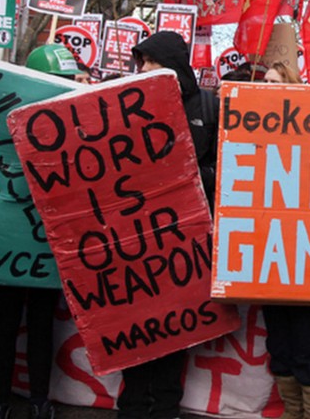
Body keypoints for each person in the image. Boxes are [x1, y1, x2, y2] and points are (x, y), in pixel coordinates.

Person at [0, 45, 87, 419]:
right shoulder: (7, 117)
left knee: (37, 324)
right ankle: (2, 400)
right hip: (11, 241)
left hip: (46, 242)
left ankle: (35, 398)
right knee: (6, 324)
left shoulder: (75, 118)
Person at [115, 32, 219, 419]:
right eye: (138, 63)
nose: (140, 70)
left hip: (185, 237)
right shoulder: (127, 105)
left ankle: (166, 405)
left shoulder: (208, 107)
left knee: (175, 325)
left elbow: (227, 167)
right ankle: (132, 403)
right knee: (135, 321)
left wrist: (190, 176)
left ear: (171, 65)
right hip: (137, 238)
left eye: (148, 63)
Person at [257, 61, 310, 419]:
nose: (269, 86)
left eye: (277, 81)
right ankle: (292, 412)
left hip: (307, 258)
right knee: (279, 344)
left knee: (307, 344)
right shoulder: (248, 129)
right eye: (265, 81)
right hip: (268, 256)